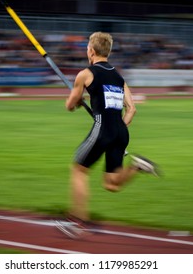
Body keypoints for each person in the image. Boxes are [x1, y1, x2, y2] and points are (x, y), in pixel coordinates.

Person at [56, 32, 160, 239]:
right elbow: (132, 109)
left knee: (78, 170)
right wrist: (117, 126)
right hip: (121, 131)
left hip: (103, 129)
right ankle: (137, 165)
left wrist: (77, 101)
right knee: (111, 184)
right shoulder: (119, 77)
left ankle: (77, 223)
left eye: (87, 48)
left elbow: (69, 106)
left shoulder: (85, 74)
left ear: (92, 51)